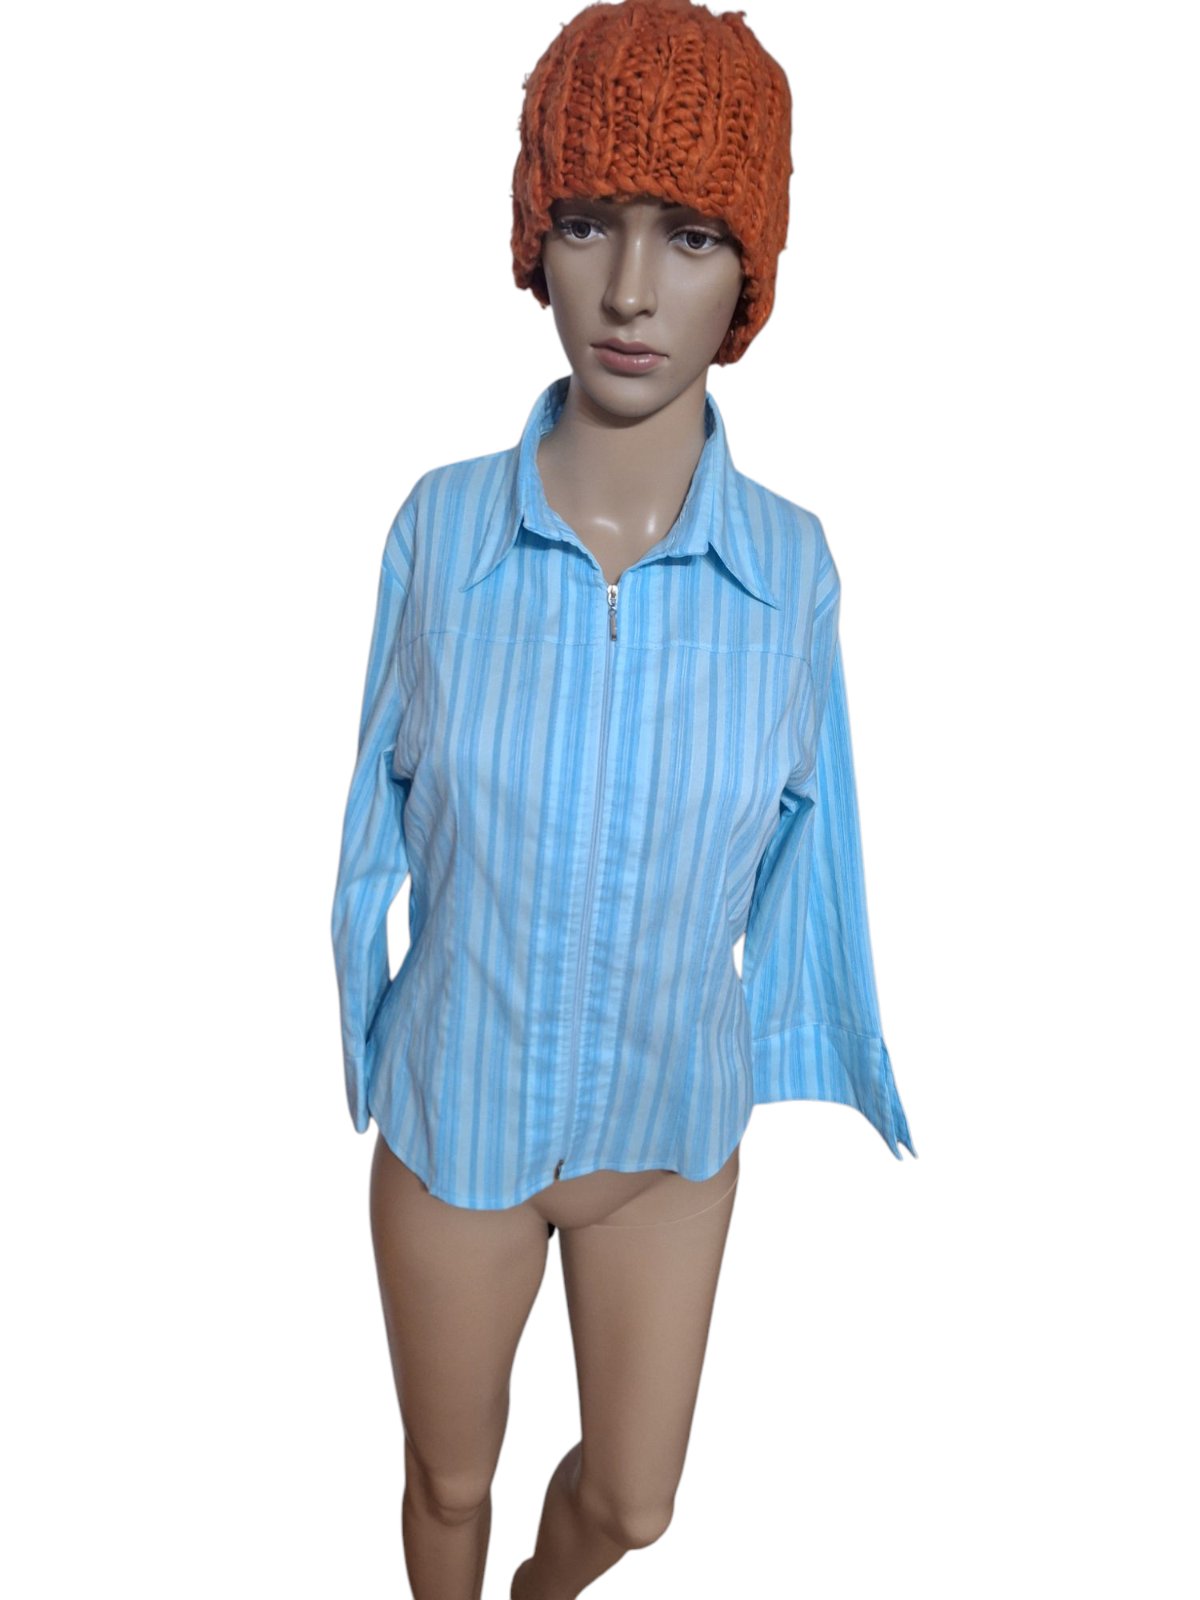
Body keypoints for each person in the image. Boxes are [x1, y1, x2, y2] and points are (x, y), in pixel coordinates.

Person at [329, 2, 916, 1595]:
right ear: (538, 239)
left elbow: (816, 842)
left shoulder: (789, 569)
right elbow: (371, 811)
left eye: (694, 235)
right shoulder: (440, 534)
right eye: (590, 223)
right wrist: (364, 1018)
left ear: (752, 271)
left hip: (669, 1136)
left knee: (637, 1505)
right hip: (459, 1125)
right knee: (447, 1482)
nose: (635, 291)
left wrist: (819, 1040)